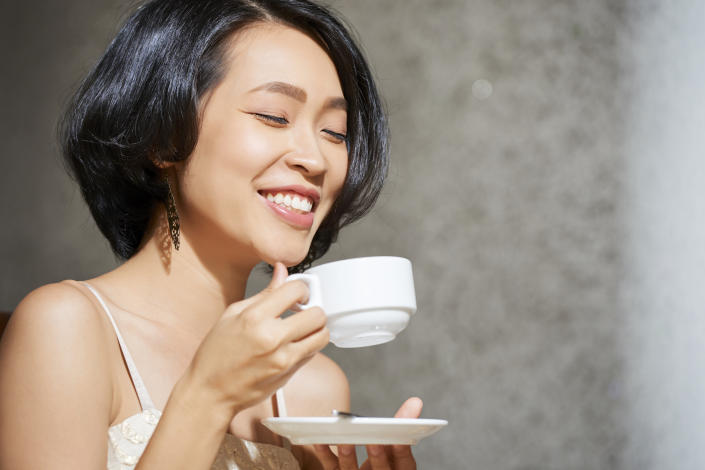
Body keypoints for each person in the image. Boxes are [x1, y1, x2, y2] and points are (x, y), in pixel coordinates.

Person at [0, 0, 424, 469]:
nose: (317, 159)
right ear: (162, 136)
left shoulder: (314, 386)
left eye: (334, 131)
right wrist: (207, 396)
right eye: (274, 116)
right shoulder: (66, 328)